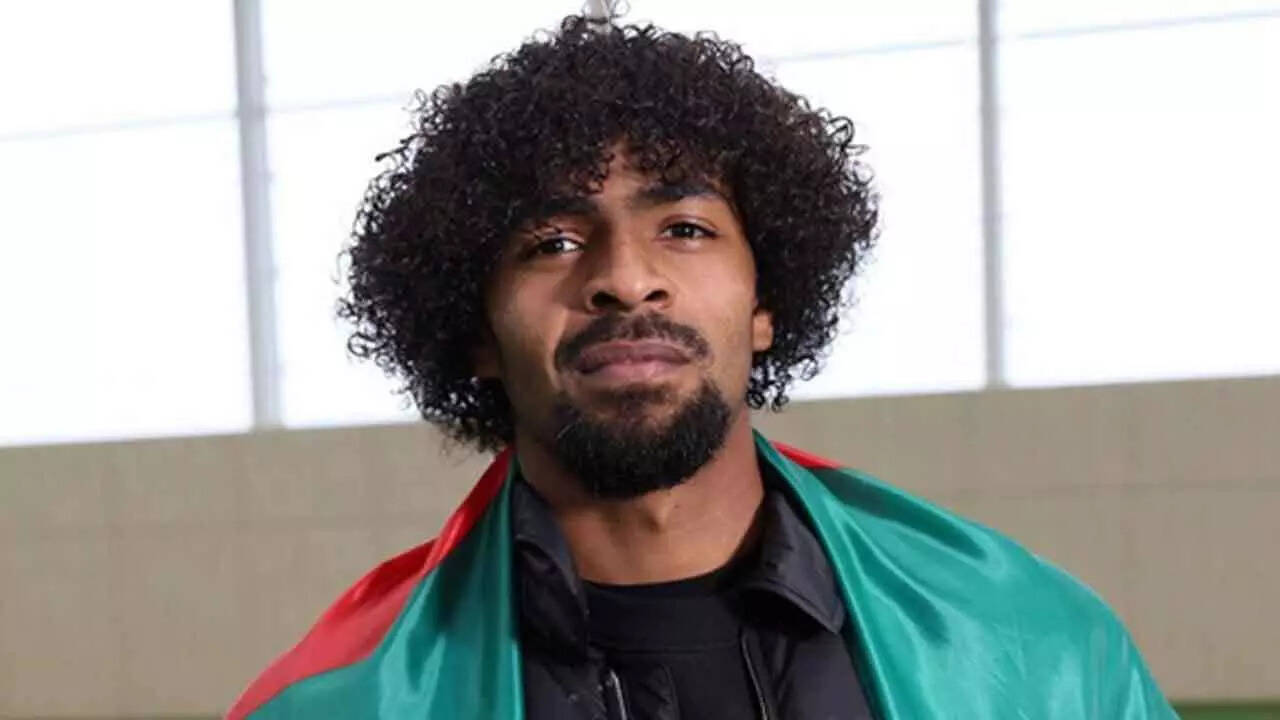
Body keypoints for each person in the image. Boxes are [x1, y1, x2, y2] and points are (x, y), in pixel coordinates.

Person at [227, 14, 1175, 720]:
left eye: (684, 228)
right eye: (553, 243)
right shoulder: (337, 703)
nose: (624, 278)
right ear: (475, 333)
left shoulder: (1035, 647)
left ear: (766, 304)